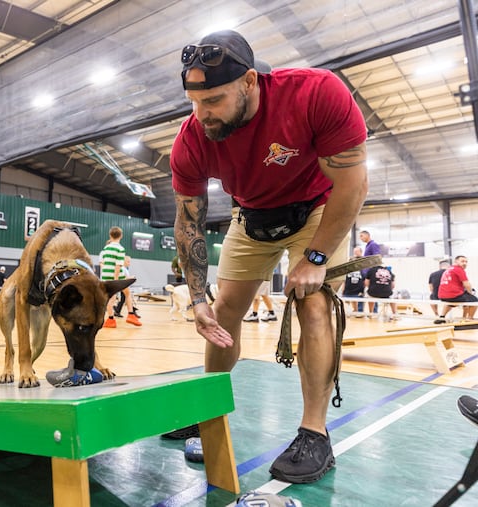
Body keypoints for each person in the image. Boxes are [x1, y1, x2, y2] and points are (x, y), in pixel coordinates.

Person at [168, 29, 368, 484]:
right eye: (193, 102)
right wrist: (197, 297)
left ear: (250, 83)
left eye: (214, 100)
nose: (202, 114)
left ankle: (314, 433)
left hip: (318, 208)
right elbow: (189, 223)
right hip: (252, 216)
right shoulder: (192, 138)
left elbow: (353, 185)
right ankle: (206, 411)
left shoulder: (315, 93)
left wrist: (314, 259)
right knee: (222, 315)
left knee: (313, 304)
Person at [99, 227, 141, 327]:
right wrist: (116, 280)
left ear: (110, 235)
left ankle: (110, 319)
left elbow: (104, 263)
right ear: (121, 236)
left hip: (105, 276)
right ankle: (130, 315)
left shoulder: (105, 248)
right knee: (127, 294)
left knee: (110, 298)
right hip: (116, 276)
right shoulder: (120, 249)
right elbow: (118, 266)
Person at [436, 255, 477, 323]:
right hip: (453, 295)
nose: (464, 263)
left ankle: (442, 317)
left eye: (466, 262)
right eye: (462, 261)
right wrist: (471, 293)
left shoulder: (449, 269)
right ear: (456, 261)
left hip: (442, 296)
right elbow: (467, 284)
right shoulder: (459, 269)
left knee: (453, 302)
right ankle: (470, 319)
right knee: (474, 300)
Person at [113, 255, 141, 322]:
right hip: (123, 286)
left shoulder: (125, 269)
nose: (129, 263)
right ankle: (131, 311)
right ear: (124, 262)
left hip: (125, 286)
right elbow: (123, 278)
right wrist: (131, 278)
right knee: (126, 298)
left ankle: (117, 310)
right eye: (128, 262)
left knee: (124, 300)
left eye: (129, 262)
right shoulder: (122, 269)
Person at [342, 246, 365, 315]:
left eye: (356, 252)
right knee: (350, 298)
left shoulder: (363, 264)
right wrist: (343, 290)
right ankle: (355, 310)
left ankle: (359, 311)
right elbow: (344, 281)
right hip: (349, 289)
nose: (355, 253)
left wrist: (363, 290)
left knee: (358, 297)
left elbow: (364, 279)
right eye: (354, 252)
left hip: (358, 289)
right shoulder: (348, 270)